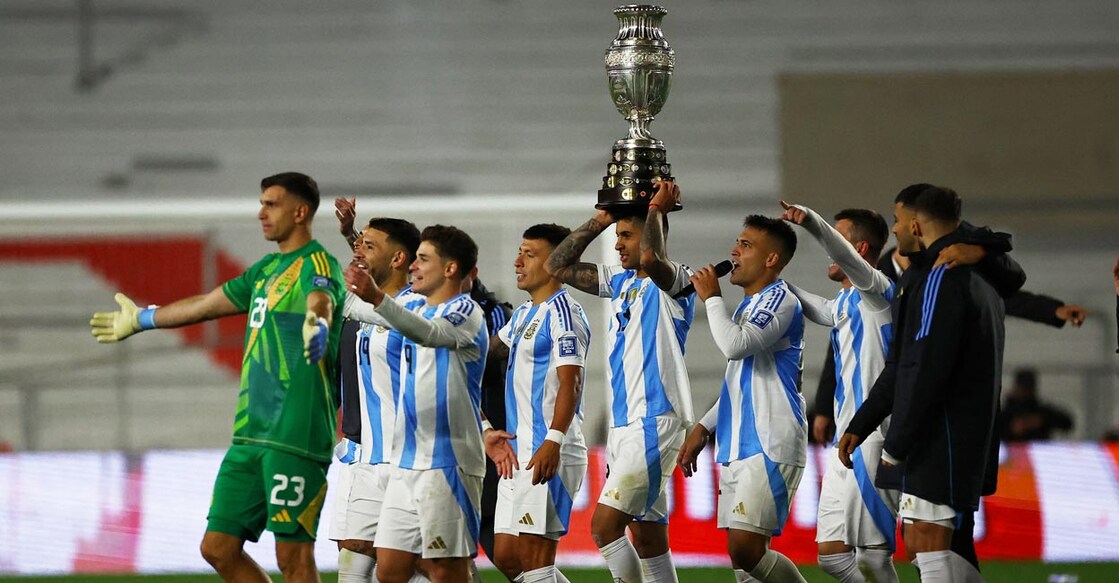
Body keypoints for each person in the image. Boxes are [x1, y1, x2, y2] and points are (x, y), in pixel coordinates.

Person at [90, 172, 344, 583]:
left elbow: (321, 298)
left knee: (293, 560)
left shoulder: (317, 262)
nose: (261, 213)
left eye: (271, 204)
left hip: (294, 436)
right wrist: (142, 318)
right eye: (261, 203)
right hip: (249, 434)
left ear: (300, 212)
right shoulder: (264, 269)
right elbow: (206, 304)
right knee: (218, 548)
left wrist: (317, 323)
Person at [840, 186, 1005, 583]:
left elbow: (922, 366)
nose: (894, 230)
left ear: (915, 225)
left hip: (942, 436)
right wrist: (863, 423)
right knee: (927, 541)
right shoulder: (974, 276)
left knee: (927, 541)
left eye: (897, 221)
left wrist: (898, 443)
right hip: (960, 434)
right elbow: (906, 363)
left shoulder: (939, 279)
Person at [545, 181, 694, 583]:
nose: (618, 245)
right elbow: (555, 266)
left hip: (655, 421)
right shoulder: (622, 282)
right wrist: (603, 219)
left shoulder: (678, 282)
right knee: (648, 540)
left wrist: (657, 210)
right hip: (625, 426)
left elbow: (651, 255)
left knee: (604, 528)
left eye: (624, 236)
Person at [344, 225, 489, 583]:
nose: (413, 266)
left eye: (423, 259)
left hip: (448, 462)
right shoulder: (409, 304)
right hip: (406, 462)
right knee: (390, 571)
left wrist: (377, 298)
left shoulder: (465, 312)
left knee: (446, 571)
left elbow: (431, 333)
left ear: (450, 268)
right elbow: (356, 308)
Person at [677, 215, 808, 583]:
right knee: (744, 563)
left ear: (771, 260)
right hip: (739, 443)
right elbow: (741, 380)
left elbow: (736, 347)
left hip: (769, 440)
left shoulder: (779, 299)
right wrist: (704, 427)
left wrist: (712, 298)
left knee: (746, 549)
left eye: (746, 245)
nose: (734, 251)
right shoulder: (749, 308)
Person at [778, 203, 899, 583]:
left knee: (874, 559)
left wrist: (811, 222)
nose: (829, 253)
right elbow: (816, 307)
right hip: (846, 442)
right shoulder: (845, 303)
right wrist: (770, 279)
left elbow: (841, 255)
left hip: (874, 436)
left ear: (859, 250)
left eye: (838, 238)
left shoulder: (877, 292)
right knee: (832, 557)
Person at [483, 224, 591, 583]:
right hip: (520, 453)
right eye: (520, 252)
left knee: (535, 561)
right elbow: (487, 353)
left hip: (547, 449)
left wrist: (553, 440)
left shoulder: (564, 313)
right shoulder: (525, 314)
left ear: (556, 262)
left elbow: (570, 381)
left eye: (529, 254)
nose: (517, 261)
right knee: (507, 556)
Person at [329, 211, 423, 583]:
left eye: (369, 246)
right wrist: (352, 234)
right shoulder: (361, 305)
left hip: (410, 460)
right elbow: (364, 279)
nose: (358, 251)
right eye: (358, 245)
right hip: (363, 455)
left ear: (399, 259)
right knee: (352, 558)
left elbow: (398, 315)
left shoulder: (420, 309)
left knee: (421, 567)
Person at [998, 368, 1073, 442]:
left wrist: (1043, 420)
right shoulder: (1006, 413)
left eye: (1027, 390)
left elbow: (1067, 423)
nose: (1025, 393)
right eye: (1023, 389)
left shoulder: (1041, 411)